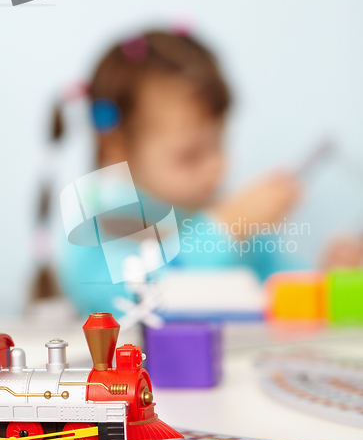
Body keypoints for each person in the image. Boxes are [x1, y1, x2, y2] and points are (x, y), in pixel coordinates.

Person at [48, 29, 362, 316]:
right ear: (116, 146)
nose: (215, 166)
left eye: (219, 144)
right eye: (190, 155)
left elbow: (274, 284)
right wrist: (224, 227)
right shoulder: (96, 222)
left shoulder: (210, 211)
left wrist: (325, 278)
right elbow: (130, 297)